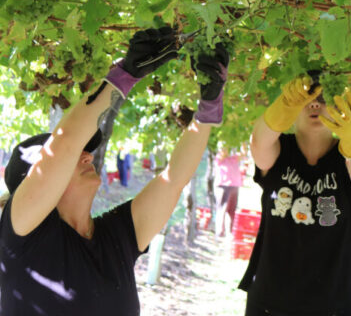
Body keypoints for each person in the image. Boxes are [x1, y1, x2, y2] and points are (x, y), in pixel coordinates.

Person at [0, 27, 229, 315]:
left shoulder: (115, 237)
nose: (86, 154)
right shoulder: (24, 235)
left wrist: (209, 106)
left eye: (87, 147)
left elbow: (173, 180)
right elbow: (66, 143)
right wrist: (125, 73)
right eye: (74, 153)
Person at [239, 75, 351, 315]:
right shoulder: (280, 150)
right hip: (270, 302)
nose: (315, 104)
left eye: (323, 98)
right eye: (307, 98)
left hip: (336, 304)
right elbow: (259, 143)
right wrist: (283, 106)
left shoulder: (350, 157)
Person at [215, 148, 243, 237]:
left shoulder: (233, 158)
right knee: (222, 208)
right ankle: (220, 231)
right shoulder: (219, 158)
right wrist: (225, 145)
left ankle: (230, 231)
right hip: (224, 186)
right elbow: (222, 154)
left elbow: (243, 154)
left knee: (232, 210)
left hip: (234, 186)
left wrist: (243, 143)